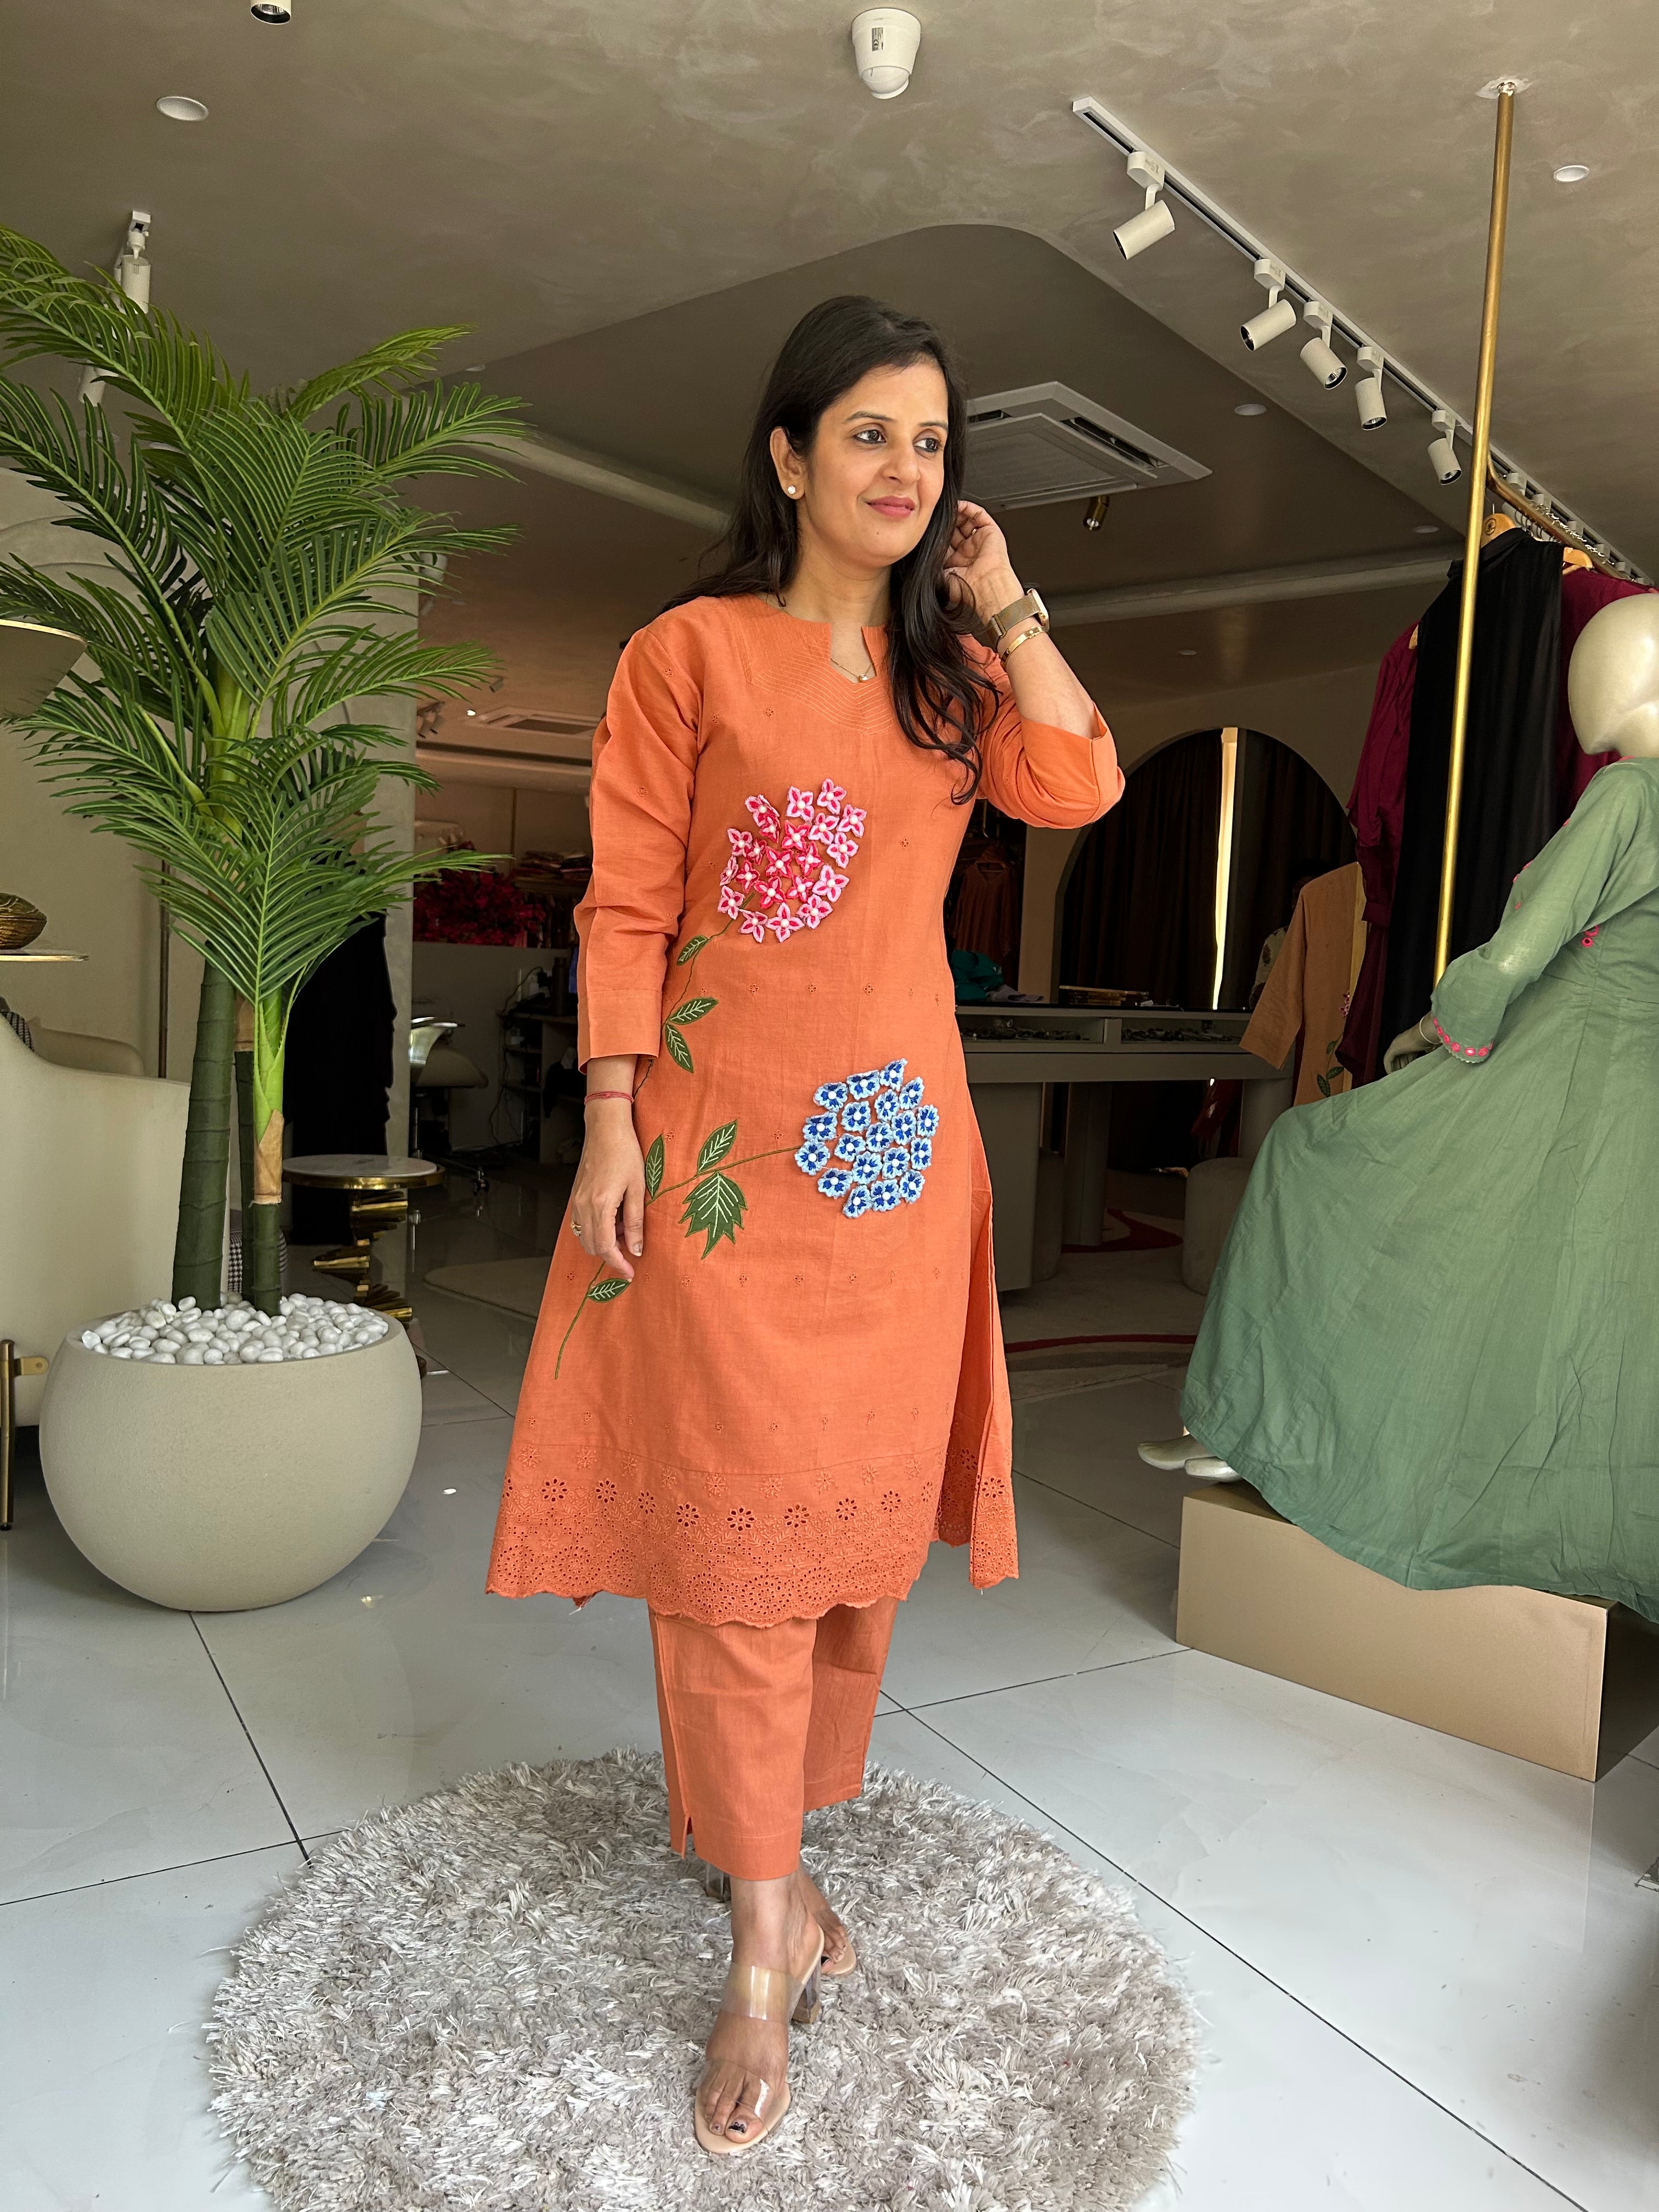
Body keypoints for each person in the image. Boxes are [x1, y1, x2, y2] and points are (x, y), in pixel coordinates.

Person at [485, 294, 1121, 2154]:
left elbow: (1081, 780)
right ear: (786, 454)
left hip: (892, 1166)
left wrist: (1005, 602)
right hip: (715, 1157)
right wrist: (611, 1125)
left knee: (844, 1547)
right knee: (728, 1545)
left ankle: (775, 1860)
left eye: (930, 442)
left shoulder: (952, 684)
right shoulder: (686, 653)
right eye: (867, 434)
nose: (903, 470)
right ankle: (763, 1940)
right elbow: (624, 904)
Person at [1174, 598, 1659, 1623]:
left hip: (1556, 1067)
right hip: (1633, 1106)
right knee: (1578, 1308)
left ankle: (1260, 1429)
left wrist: (1445, 1027)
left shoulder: (1628, 793)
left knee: (1311, 1157)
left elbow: (1518, 955)